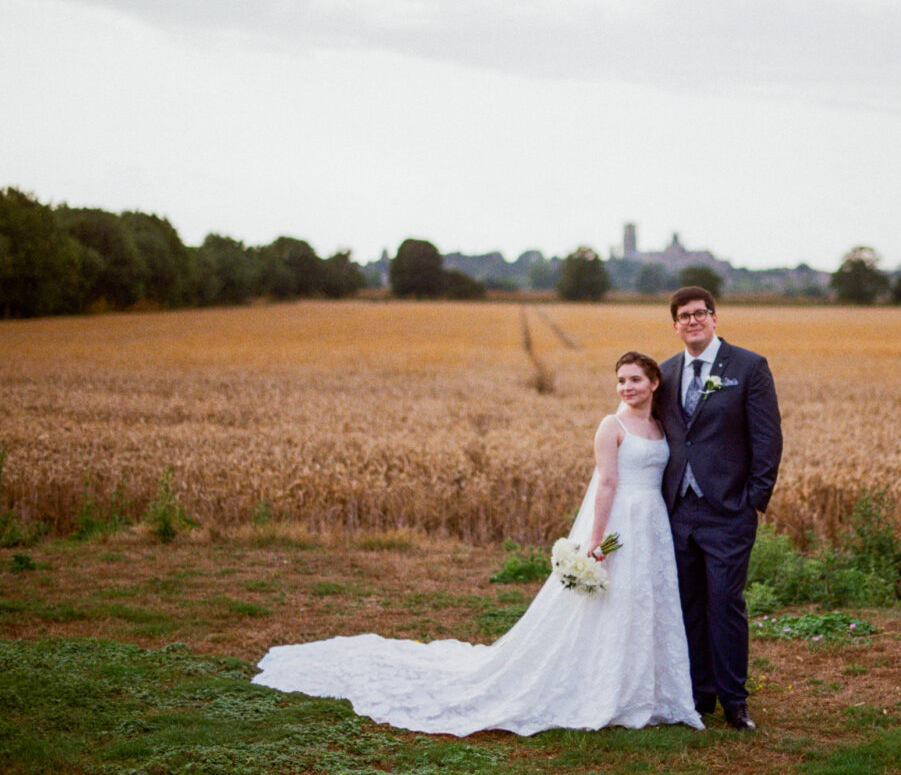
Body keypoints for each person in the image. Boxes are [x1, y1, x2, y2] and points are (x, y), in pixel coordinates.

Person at [252, 352, 703, 736]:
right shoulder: (612, 425)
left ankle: (646, 691)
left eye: (636, 380)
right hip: (618, 522)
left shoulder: (663, 427)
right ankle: (603, 690)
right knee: (608, 603)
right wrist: (594, 542)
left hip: (652, 525)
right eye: (621, 380)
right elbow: (606, 483)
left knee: (645, 601)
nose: (627, 387)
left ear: (654, 382)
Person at [656, 287, 783, 732]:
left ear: (714, 318)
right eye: (684, 316)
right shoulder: (665, 373)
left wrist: (754, 500)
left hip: (729, 510)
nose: (693, 321)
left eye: (700, 314)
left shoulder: (748, 367)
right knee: (687, 604)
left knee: (725, 603)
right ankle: (698, 694)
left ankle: (734, 700)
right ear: (675, 325)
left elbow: (767, 439)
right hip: (677, 512)